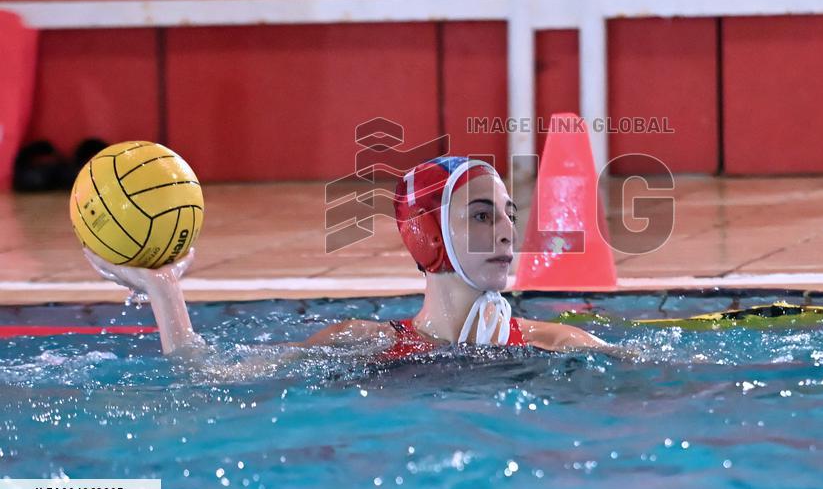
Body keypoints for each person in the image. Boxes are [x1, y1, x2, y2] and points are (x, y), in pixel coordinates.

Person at [84, 156, 613, 362]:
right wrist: (164, 289)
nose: (506, 232)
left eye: (509, 214)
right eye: (480, 216)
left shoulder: (559, 342)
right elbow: (209, 377)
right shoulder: (363, 343)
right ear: (426, 234)